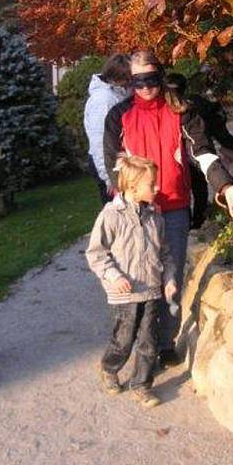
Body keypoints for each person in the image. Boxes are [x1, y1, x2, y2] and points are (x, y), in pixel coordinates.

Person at [104, 49, 233, 367]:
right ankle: (132, 345)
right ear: (129, 80)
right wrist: (120, 209)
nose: (145, 87)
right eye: (137, 80)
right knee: (138, 281)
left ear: (161, 74)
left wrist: (227, 186)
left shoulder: (183, 112)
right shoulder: (118, 116)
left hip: (173, 207)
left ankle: (165, 341)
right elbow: (113, 167)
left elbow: (204, 154)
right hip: (135, 215)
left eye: (151, 79)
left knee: (171, 275)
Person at [86, 155, 177, 408]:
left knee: (149, 341)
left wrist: (168, 279)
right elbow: (95, 253)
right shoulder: (111, 216)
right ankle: (109, 367)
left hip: (150, 291)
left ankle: (141, 384)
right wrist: (114, 276)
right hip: (124, 295)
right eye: (152, 184)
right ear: (133, 186)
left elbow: (165, 253)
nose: (157, 188)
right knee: (123, 339)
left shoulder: (155, 217)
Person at [164, 72, 233, 229]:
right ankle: (198, 219)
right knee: (198, 189)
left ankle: (195, 220)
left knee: (187, 190)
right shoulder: (193, 106)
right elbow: (214, 120)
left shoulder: (187, 110)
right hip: (191, 156)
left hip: (185, 159)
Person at [83, 54, 131, 204]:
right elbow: (99, 141)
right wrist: (109, 178)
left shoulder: (117, 95)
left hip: (118, 160)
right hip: (108, 162)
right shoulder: (104, 100)